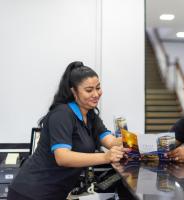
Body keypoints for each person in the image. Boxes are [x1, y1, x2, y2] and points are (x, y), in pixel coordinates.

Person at [8, 61, 128, 200]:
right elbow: (62, 157)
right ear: (73, 91)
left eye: (98, 88)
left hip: (55, 194)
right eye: (89, 90)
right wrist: (105, 157)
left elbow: (110, 141)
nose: (96, 94)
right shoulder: (62, 114)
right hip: (30, 193)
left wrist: (130, 141)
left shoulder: (90, 115)